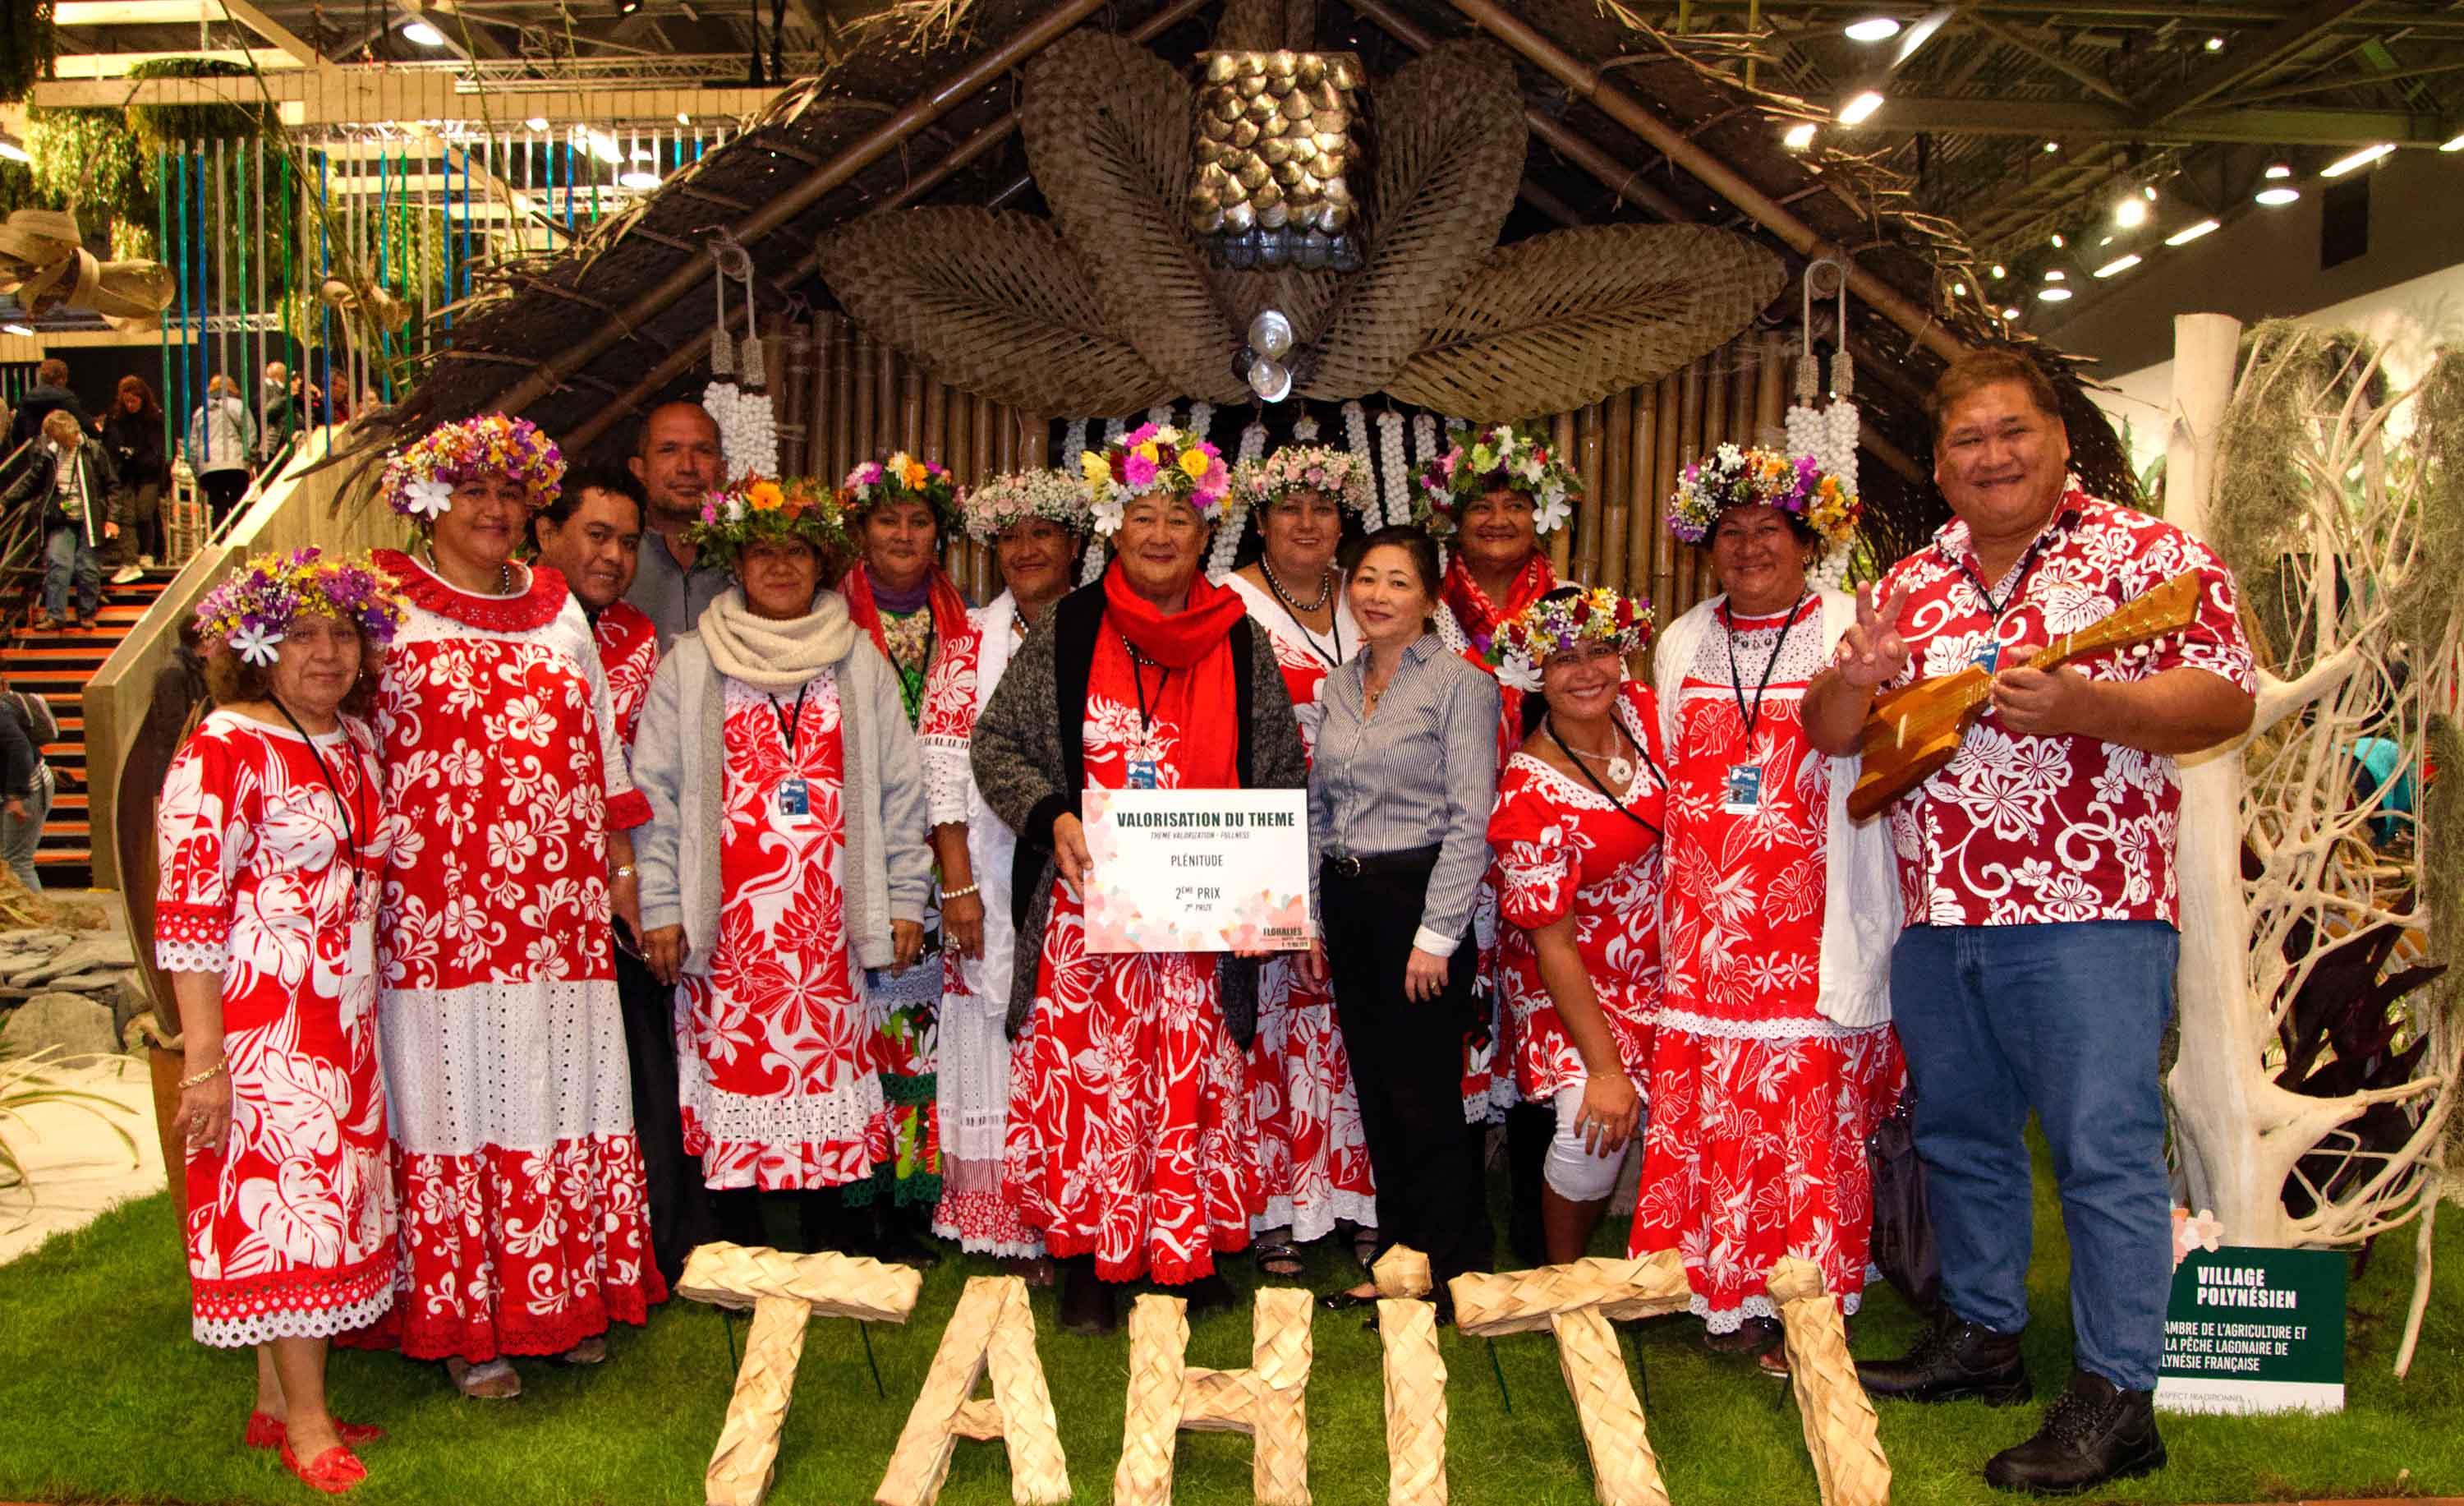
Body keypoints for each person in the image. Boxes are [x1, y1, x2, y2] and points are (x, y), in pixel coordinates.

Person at [1807, 348, 2256, 1495]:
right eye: (1967, 439)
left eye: (2012, 431)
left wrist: (2089, 704)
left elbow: (2226, 695)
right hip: (1938, 913)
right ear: (1940, 464)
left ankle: (2119, 1395)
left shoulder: (2151, 556)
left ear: (2059, 439)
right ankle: (1984, 1336)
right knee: (1962, 1138)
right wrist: (1855, 676)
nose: (1992, 456)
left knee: (2104, 1154)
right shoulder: (1911, 580)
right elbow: (1831, 732)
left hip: (2090, 911)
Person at [972, 421, 1305, 1334]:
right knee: (1092, 1090)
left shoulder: (1242, 640)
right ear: (1115, 529)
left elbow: (1282, 773)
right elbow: (996, 745)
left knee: (1194, 1089)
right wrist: (1054, 814)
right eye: (1144, 517)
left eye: (1179, 520)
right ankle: (1090, 1262)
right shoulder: (1070, 628)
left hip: (1201, 924)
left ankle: (1186, 1256)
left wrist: (1266, 892)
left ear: (1207, 536)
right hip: (1088, 917)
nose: (1160, 535)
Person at [359, 414, 664, 1400]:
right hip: (436, 916)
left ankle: (560, 1296)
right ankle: (466, 1325)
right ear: (427, 501)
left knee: (559, 1088)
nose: (492, 509)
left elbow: (601, 753)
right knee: (454, 1098)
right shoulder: (383, 606)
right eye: (471, 491)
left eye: (508, 492)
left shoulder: (558, 607)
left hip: (559, 913)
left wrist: (622, 872)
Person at [1632, 446, 1904, 1374]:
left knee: (1804, 1117)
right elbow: (1677, 770)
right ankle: (1723, 1292)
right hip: (1707, 930)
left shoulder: (1845, 629)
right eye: (1732, 532)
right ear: (1707, 548)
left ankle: (1811, 1304)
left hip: (1813, 921)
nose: (1750, 548)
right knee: (1719, 1109)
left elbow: (1877, 757)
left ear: (1807, 542)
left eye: (1769, 531)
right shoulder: (1682, 640)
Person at [154, 549, 407, 1495]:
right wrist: (205, 1061)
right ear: (256, 645)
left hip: (344, 1019)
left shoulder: (355, 740)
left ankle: (273, 1403)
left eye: (342, 632)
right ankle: (308, 1423)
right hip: (262, 1026)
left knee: (326, 1208)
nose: (327, 652)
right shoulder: (222, 748)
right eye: (300, 634)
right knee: (291, 1217)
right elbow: (188, 915)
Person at [634, 476, 934, 1256]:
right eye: (762, 552)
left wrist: (906, 895)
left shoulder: (858, 661)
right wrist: (660, 905)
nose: (779, 566)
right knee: (735, 1077)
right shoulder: (691, 662)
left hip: (828, 934)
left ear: (820, 563)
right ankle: (737, 1248)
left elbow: (903, 792)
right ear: (737, 564)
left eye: (796, 551)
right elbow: (654, 795)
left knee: (826, 1076)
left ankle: (831, 1244)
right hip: (726, 935)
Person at [528, 461, 716, 1287]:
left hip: (627, 884)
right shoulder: (517, 629)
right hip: (536, 891)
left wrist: (642, 877)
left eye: (628, 542)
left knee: (646, 1063)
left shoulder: (638, 634)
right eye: (596, 536)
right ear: (546, 533)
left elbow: (647, 767)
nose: (613, 556)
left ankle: (659, 1244)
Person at [1307, 525, 1499, 1322]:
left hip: (1420, 904)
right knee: (1378, 1094)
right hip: (1349, 902)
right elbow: (1319, 808)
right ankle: (1398, 1261)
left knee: (1426, 1096)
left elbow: (1470, 820)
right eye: (1366, 579)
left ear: (1428, 597)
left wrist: (1437, 935)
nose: (1377, 595)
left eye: (1397, 581)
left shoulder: (1460, 685)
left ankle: (1457, 1268)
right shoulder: (1337, 686)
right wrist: (1312, 918)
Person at [1414, 420, 1583, 1260]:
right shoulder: (1424, 604)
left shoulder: (1571, 606)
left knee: (1539, 1021)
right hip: (1444, 842)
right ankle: (1448, 1217)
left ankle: (1536, 1220)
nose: (1498, 519)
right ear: (1452, 514)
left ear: (1541, 515)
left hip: (1545, 842)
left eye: (1515, 503)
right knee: (1451, 1026)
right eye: (1482, 504)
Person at [917, 469, 1087, 1261]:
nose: (1025, 549)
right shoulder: (966, 646)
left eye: (1042, 533)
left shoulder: (1104, 630)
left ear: (1074, 544)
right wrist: (958, 885)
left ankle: (1077, 1207)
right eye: (1010, 537)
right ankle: (1004, 1216)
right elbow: (943, 772)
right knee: (994, 1028)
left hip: (1081, 872)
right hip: (988, 876)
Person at [1225, 444, 1378, 1278]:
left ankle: (1359, 1197)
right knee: (1273, 1013)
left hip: (1362, 833)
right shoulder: (1227, 602)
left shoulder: (1372, 592)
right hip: (1264, 829)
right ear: (1258, 519)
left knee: (1353, 1015)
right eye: (1290, 507)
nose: (1308, 522)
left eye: (1323, 506)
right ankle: (1271, 1208)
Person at [1484, 587, 1666, 1267]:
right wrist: (1606, 1067)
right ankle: (1564, 1279)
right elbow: (1551, 942)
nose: (1587, 671)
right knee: (1589, 1128)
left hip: (1664, 964)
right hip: (1568, 977)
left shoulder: (1646, 713)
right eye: (1564, 659)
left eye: (1600, 651)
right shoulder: (1529, 791)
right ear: (1536, 673)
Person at [836, 452, 968, 1261]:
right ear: (861, 530)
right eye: (887, 519)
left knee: (920, 1039)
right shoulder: (829, 625)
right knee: (856, 1038)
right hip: (856, 851)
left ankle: (915, 1200)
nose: (903, 534)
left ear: (939, 537)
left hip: (943, 854)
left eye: (919, 521)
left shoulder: (969, 625)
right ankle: (858, 1201)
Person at [5, 408, 122, 631]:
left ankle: (86, 614)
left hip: (90, 517)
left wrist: (113, 519)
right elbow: (31, 483)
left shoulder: (93, 450)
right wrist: (6, 501)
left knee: (88, 566)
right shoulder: (49, 454)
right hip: (62, 517)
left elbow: (113, 487)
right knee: (58, 561)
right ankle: (55, 615)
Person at [624, 400, 730, 645]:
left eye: (703, 451)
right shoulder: (613, 559)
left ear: (722, 470)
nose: (687, 467)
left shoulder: (746, 561)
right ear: (639, 468)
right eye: (669, 450)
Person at [0, 671, 55, 892]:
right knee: (7, 862)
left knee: (17, 862)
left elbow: (20, 748)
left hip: (28, 789)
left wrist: (15, 797)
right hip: (17, 787)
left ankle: (39, 912)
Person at [187, 375, 258, 530]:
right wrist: (250, 462)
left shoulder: (200, 412)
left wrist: (197, 473)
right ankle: (240, 538)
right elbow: (251, 437)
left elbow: (192, 448)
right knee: (239, 506)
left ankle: (218, 540)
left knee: (218, 507)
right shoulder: (239, 406)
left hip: (209, 468)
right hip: (236, 465)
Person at [7, 357, 85, 450]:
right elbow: (86, 426)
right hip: (63, 453)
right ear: (61, 380)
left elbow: (16, 434)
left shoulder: (26, 401)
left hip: (34, 453)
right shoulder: (66, 400)